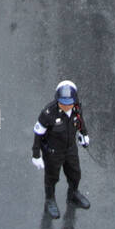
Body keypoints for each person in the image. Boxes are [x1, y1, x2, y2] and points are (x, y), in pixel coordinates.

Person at [31, 80, 91, 219]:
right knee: (52, 178)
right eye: (63, 103)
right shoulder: (48, 113)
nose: (66, 106)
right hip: (53, 152)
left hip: (70, 149)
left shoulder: (76, 108)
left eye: (69, 103)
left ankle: (73, 194)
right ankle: (50, 200)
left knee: (75, 173)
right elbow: (38, 133)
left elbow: (80, 121)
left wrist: (84, 134)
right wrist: (36, 155)